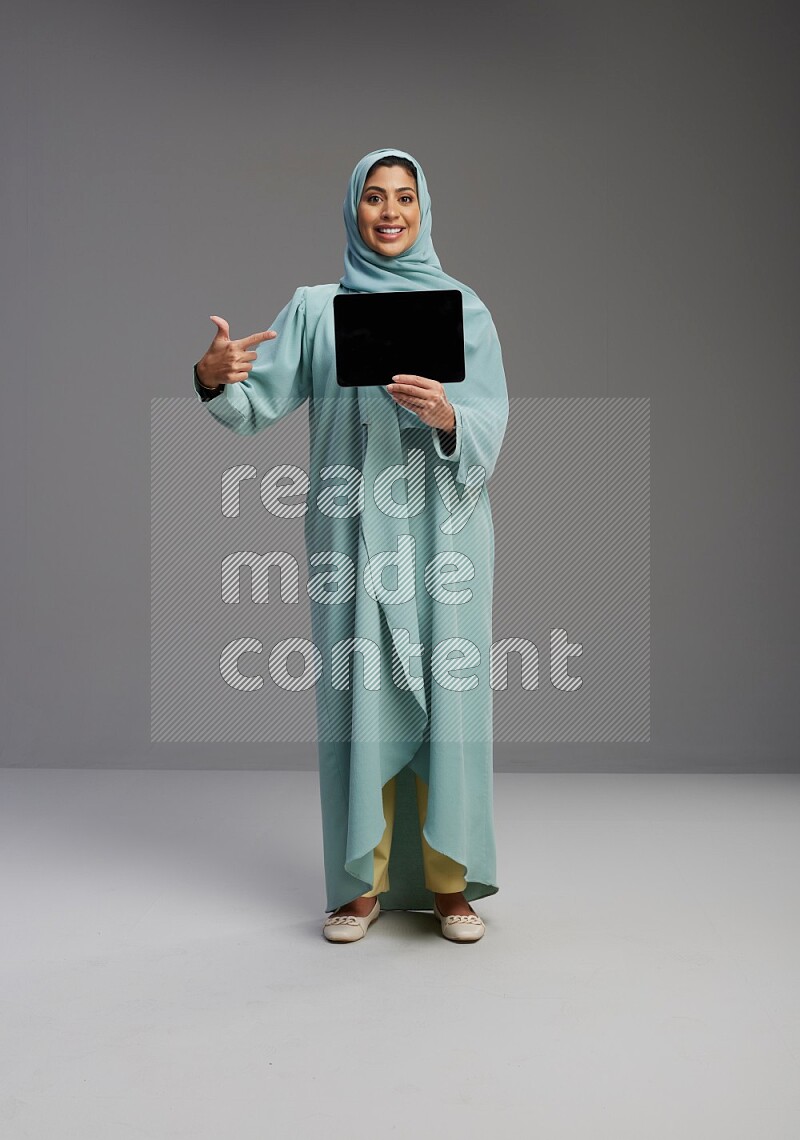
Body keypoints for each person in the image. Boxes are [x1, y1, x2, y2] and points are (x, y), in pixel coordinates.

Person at [193, 147, 509, 943]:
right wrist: (211, 375)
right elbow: (254, 407)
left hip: (446, 536)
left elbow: (491, 425)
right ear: (353, 209)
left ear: (424, 207)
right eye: (374, 197)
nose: (390, 211)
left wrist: (447, 417)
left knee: (450, 705)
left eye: (404, 197)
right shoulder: (314, 308)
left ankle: (449, 882)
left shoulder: (462, 308)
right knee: (356, 703)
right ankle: (358, 885)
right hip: (354, 538)